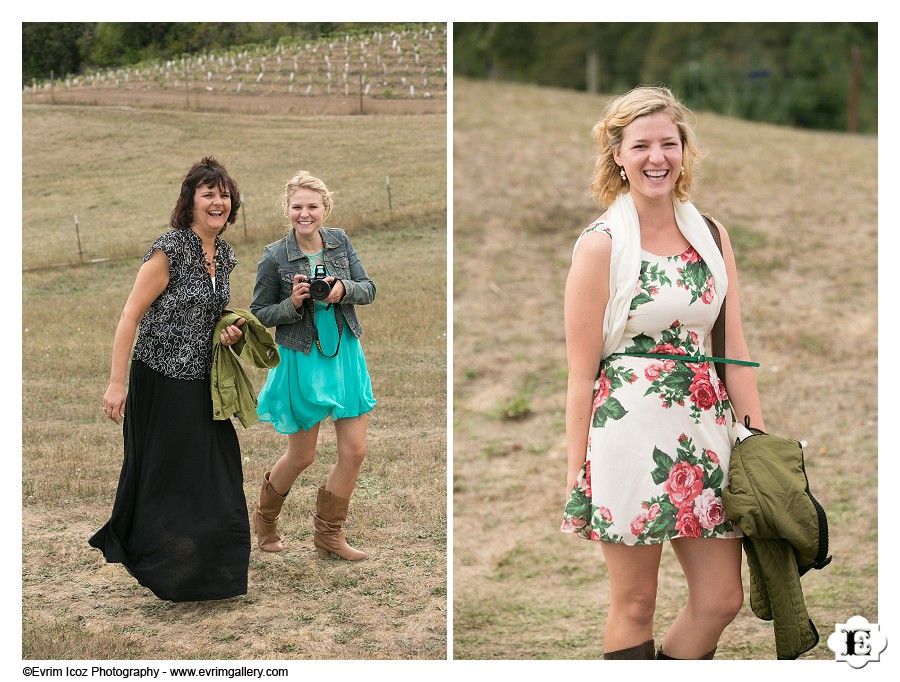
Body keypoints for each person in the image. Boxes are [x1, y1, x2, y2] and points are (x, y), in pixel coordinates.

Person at [560, 85, 765, 659]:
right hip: (626, 434)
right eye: (642, 145)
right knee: (635, 603)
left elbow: (733, 346)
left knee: (722, 598)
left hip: (706, 435)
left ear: (684, 151)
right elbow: (581, 373)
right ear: (618, 156)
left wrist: (756, 443)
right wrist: (579, 469)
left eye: (669, 143)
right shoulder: (599, 246)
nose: (658, 157)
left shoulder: (712, 236)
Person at [89, 156, 250, 602]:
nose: (218, 202)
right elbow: (130, 316)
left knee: (217, 471)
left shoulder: (227, 255)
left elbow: (208, 318)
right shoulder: (171, 248)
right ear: (191, 201)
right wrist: (116, 382)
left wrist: (228, 331)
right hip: (161, 379)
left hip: (203, 381)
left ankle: (213, 574)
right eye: (208, 194)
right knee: (170, 475)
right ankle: (162, 564)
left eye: (224, 194)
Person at [250, 170, 376, 560]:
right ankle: (265, 520)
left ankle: (329, 537)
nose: (305, 214)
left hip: (343, 355)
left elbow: (368, 288)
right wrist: (294, 303)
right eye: (297, 207)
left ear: (325, 209)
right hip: (301, 359)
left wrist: (343, 289)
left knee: (354, 452)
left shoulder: (341, 242)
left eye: (312, 206)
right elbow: (259, 313)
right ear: (287, 210)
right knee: (302, 455)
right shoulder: (274, 255)